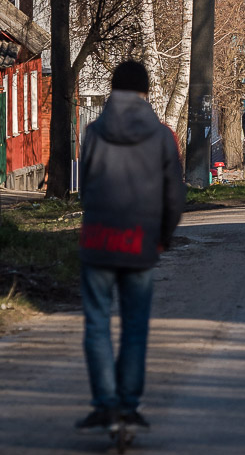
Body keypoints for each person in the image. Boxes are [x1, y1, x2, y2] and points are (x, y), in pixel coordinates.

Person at [75, 60, 184, 432]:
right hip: (141, 242)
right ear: (145, 92)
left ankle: (105, 402)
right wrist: (164, 237)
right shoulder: (160, 136)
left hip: (98, 239)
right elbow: (174, 195)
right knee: (135, 326)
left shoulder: (93, 131)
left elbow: (85, 187)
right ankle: (128, 403)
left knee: (97, 323)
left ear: (112, 91)